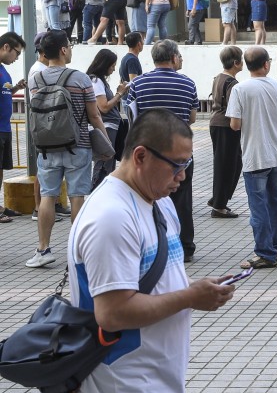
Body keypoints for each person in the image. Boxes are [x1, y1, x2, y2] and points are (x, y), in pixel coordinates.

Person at [68, 109, 235, 393]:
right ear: (141, 156)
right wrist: (191, 296)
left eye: (186, 163)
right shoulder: (111, 216)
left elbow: (156, 282)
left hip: (154, 388)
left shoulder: (156, 202)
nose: (183, 175)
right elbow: (112, 313)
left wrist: (196, 288)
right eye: (176, 164)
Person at [26, 31, 108, 268]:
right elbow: (94, 115)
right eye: (69, 46)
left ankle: (43, 249)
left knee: (48, 196)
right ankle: (78, 252)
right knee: (76, 197)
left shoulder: (36, 80)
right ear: (63, 50)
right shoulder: (80, 79)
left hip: (47, 147)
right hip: (78, 146)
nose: (70, 49)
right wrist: (105, 143)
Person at [126, 40, 199, 262]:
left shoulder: (138, 83)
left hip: (149, 152)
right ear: (174, 57)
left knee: (149, 198)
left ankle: (154, 246)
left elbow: (131, 116)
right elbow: (193, 118)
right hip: (179, 153)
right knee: (182, 199)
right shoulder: (188, 84)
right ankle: (185, 246)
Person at [227, 47, 277, 269]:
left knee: (259, 207)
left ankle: (264, 253)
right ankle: (276, 249)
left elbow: (235, 124)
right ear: (266, 65)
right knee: (276, 205)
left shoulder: (240, 89)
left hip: (255, 157)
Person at [208, 46, 243, 219]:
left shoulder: (218, 77)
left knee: (229, 163)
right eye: (241, 59)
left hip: (216, 123)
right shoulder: (232, 84)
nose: (243, 62)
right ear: (236, 63)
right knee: (228, 165)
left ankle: (218, 199)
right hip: (226, 125)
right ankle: (219, 206)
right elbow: (234, 108)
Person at [86, 48, 129, 188]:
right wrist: (119, 94)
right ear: (104, 65)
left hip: (111, 127)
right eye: (112, 65)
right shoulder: (96, 81)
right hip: (106, 128)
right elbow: (103, 107)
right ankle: (97, 191)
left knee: (108, 164)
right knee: (103, 164)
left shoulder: (100, 81)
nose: (114, 69)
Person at [0, 32, 26, 221]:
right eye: (16, 53)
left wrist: (16, 88)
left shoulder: (3, 70)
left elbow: (5, 93)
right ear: (6, 47)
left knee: (0, 168)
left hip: (5, 127)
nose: (16, 58)